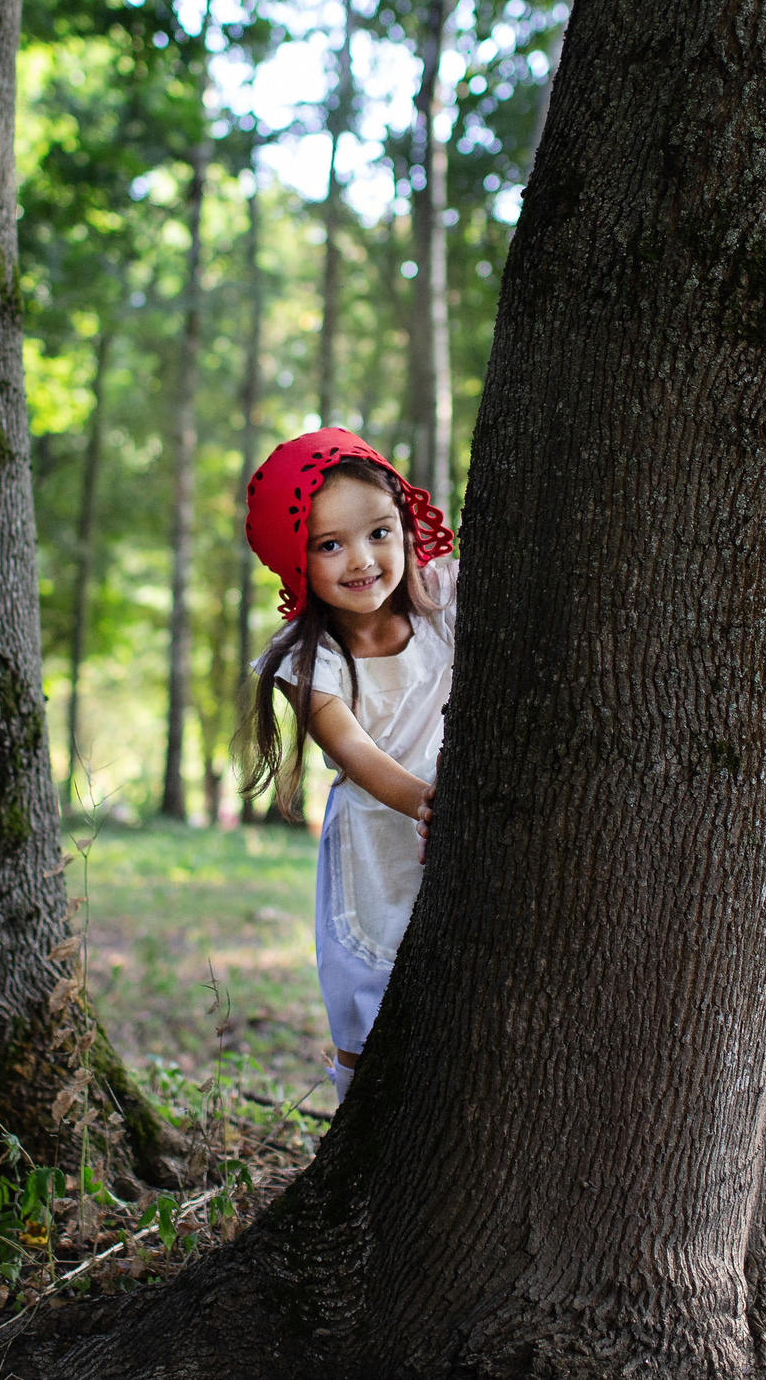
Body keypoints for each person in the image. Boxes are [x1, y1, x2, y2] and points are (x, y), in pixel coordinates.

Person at [242, 429, 456, 1100]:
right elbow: (354, 750)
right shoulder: (308, 659)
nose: (361, 560)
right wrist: (425, 799)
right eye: (330, 545)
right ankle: (354, 1122)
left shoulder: (445, 599)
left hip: (450, 810)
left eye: (379, 533)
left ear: (405, 525)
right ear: (295, 559)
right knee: (366, 987)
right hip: (378, 834)